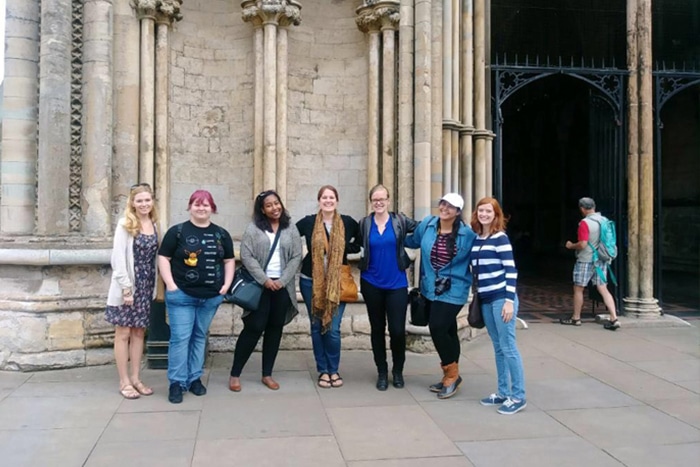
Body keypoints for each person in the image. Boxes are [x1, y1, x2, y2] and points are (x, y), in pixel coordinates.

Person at [158, 190, 235, 404]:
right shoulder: (177, 232)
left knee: (199, 336)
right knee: (180, 338)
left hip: (210, 297)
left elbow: (229, 260)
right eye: (197, 204)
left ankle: (194, 379)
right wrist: (171, 285)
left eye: (206, 205)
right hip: (181, 295)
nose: (201, 208)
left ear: (213, 208)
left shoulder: (221, 234)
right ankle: (176, 382)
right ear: (190, 206)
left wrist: (226, 285)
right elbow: (163, 257)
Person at [228, 190, 303, 392]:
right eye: (269, 205)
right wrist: (265, 279)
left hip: (281, 287)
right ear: (262, 209)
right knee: (253, 328)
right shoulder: (253, 229)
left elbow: (297, 256)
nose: (274, 208)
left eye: (276, 203)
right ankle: (235, 374)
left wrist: (283, 280)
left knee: (275, 329)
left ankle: (267, 374)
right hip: (260, 286)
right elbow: (247, 256)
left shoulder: (290, 228)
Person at [404, 193, 476, 399]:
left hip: (454, 289)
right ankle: (453, 374)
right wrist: (391, 235)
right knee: (449, 329)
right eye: (443, 203)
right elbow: (412, 241)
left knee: (436, 327)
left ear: (458, 212)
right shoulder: (428, 224)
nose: (444, 208)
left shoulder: (467, 235)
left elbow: (479, 256)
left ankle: (451, 374)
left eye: (450, 206)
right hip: (430, 288)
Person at [296, 185, 361, 389]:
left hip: (337, 283)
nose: (328, 200)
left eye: (331, 197)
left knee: (332, 328)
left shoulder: (348, 222)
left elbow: (358, 244)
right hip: (310, 281)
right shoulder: (308, 223)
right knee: (316, 326)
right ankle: (323, 370)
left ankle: (334, 369)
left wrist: (339, 248)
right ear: (319, 200)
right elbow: (287, 236)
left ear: (337, 200)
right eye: (324, 197)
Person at [470, 197, 527, 415]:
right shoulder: (477, 238)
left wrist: (509, 301)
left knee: (509, 346)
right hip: (485, 298)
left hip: (501, 298)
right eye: (481, 210)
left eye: (488, 211)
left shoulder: (500, 238)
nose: (484, 214)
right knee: (498, 346)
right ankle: (503, 392)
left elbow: (511, 270)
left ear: (496, 215)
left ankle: (518, 396)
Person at [358, 184, 417, 391]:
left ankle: (398, 370)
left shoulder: (399, 221)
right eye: (375, 199)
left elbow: (422, 229)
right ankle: (382, 372)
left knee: (397, 330)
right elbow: (355, 244)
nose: (379, 202)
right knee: (377, 329)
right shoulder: (364, 223)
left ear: (389, 200)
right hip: (371, 282)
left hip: (397, 284)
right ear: (371, 201)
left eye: (382, 199)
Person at [106, 183, 160, 399]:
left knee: (139, 332)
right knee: (123, 333)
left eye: (147, 200)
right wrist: (126, 289)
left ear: (152, 201)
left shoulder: (155, 224)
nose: (144, 204)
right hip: (127, 287)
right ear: (132, 203)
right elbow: (118, 258)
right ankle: (124, 381)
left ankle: (136, 378)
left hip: (146, 286)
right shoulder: (125, 224)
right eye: (139, 200)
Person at [561, 197, 620, 330]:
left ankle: (576, 318)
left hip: (586, 259)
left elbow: (583, 244)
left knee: (579, 289)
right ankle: (614, 317)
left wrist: (570, 246)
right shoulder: (604, 220)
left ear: (582, 208)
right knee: (603, 288)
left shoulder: (585, 223)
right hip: (601, 259)